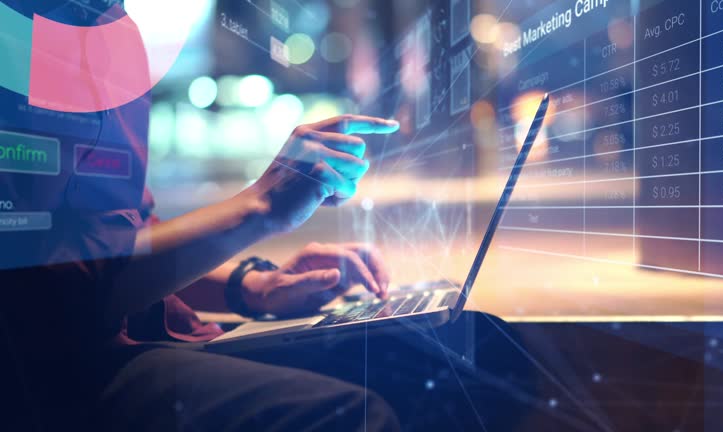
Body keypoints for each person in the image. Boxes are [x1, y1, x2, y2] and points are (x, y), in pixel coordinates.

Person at [0, 1, 527, 431]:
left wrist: (252, 285)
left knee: (479, 352)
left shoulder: (110, 26)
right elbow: (58, 295)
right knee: (349, 416)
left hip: (122, 337)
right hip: (46, 374)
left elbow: (121, 235)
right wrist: (262, 208)